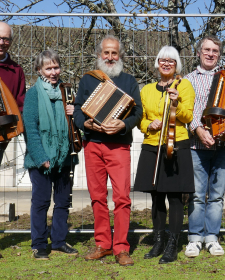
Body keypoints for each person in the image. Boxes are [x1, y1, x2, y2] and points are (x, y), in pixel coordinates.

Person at [73, 35, 142, 266]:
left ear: (120, 55)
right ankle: (103, 244)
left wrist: (124, 124)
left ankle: (121, 248)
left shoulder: (129, 81)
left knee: (122, 198)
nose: (110, 57)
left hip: (119, 146)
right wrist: (85, 124)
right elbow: (77, 110)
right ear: (99, 55)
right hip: (93, 145)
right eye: (106, 53)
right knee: (97, 197)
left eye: (114, 53)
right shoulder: (87, 80)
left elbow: (137, 113)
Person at [184, 35, 225, 257]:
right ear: (199, 52)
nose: (211, 54)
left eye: (215, 50)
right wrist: (198, 129)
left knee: (216, 195)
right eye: (207, 50)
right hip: (198, 145)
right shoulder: (189, 79)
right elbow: (188, 109)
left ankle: (212, 237)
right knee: (196, 194)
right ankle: (194, 238)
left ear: (219, 54)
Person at [134, 46, 195, 264]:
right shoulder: (147, 90)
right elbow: (140, 118)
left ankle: (172, 244)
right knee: (156, 195)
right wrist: (148, 124)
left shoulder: (184, 85)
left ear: (177, 64)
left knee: (175, 197)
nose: (167, 63)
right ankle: (158, 241)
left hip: (176, 144)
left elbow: (188, 117)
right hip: (152, 145)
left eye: (171, 60)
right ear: (157, 63)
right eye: (163, 60)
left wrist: (177, 103)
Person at [23, 49, 78, 260]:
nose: (53, 72)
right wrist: (41, 157)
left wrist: (76, 113)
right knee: (41, 202)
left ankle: (59, 241)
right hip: (41, 159)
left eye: (56, 67)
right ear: (39, 70)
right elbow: (31, 128)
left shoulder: (68, 91)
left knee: (63, 202)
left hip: (65, 156)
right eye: (49, 68)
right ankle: (38, 244)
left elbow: (77, 123)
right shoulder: (33, 94)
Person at [0, 22, 26, 164]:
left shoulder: (16, 70)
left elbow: (20, 104)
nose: (1, 43)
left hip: (2, 132)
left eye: (6, 39)